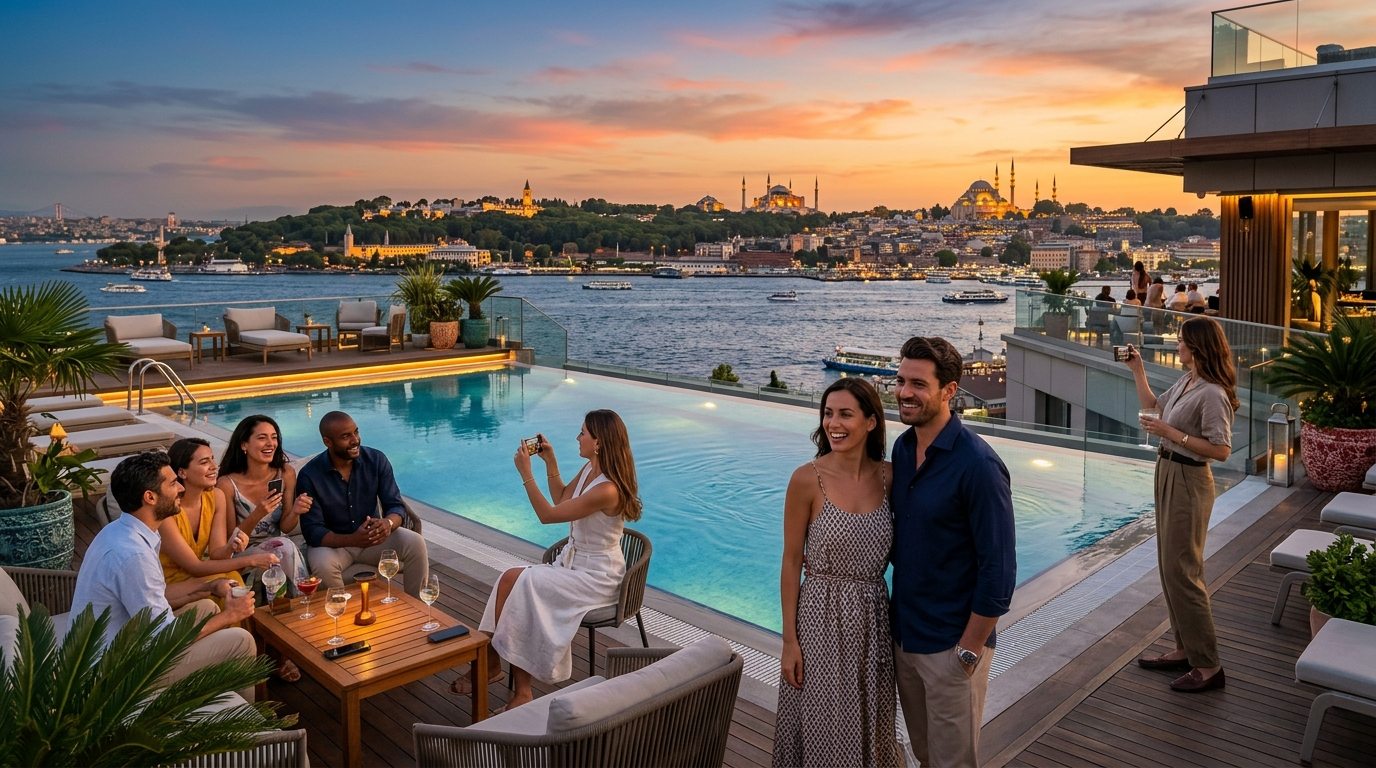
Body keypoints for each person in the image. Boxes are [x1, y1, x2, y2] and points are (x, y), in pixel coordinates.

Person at [890, 337, 1016, 768]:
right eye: (901, 380)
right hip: (905, 639)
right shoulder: (903, 449)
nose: (905, 392)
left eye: (918, 384)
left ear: (949, 390)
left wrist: (968, 651)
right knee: (926, 757)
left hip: (950, 647)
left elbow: (998, 573)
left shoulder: (978, 466)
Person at [472, 410, 642, 709]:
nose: (578, 438)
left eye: (582, 433)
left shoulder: (607, 488)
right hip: (573, 565)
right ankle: (506, 675)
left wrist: (526, 473)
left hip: (596, 578)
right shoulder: (591, 470)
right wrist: (549, 462)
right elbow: (563, 498)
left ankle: (498, 668)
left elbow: (547, 515)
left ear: (599, 442)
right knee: (512, 580)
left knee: (521, 581)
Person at [774, 378, 898, 767]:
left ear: (871, 422)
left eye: (845, 414)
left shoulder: (891, 478)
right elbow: (792, 561)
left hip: (874, 621)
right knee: (821, 722)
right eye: (828, 414)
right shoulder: (806, 478)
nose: (834, 423)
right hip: (818, 619)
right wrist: (789, 642)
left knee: (870, 723)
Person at [72, 451, 258, 703]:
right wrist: (231, 615)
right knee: (241, 641)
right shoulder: (133, 555)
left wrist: (211, 585)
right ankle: (251, 726)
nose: (181, 488)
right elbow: (162, 638)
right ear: (150, 497)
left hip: (128, 641)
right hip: (113, 674)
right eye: (172, 483)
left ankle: (209, 697)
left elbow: (156, 596)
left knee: (204, 607)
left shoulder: (124, 531)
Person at [1124, 317, 1238, 693]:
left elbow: (1221, 450)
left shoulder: (1212, 393)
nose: (1177, 345)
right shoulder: (1188, 381)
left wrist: (1172, 433)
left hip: (1190, 479)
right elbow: (1154, 406)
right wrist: (1138, 369)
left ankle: (1208, 665)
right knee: (1168, 566)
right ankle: (1184, 648)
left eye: (1182, 341)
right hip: (1168, 471)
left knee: (1184, 570)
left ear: (1198, 347)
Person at [168, 437, 298, 681]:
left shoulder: (214, 496)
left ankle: (251, 654)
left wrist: (231, 546)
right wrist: (249, 560)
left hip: (200, 573)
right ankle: (237, 665)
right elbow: (194, 567)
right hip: (172, 583)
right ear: (182, 472)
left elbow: (217, 552)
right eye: (204, 462)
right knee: (233, 579)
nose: (213, 467)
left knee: (234, 581)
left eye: (212, 460)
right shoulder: (169, 511)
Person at [296, 411, 429, 597]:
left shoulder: (375, 460)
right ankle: (339, 615)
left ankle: (419, 609)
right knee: (322, 565)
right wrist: (353, 540)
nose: (355, 440)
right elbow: (313, 531)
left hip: (373, 539)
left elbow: (395, 505)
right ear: (328, 442)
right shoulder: (309, 475)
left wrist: (388, 524)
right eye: (346, 436)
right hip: (334, 545)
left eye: (356, 432)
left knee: (415, 543)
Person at [217, 415, 310, 595]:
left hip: (276, 546)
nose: (270, 443)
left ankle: (294, 604)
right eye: (262, 438)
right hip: (242, 554)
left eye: (274, 437)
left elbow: (285, 526)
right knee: (285, 546)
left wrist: (296, 511)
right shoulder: (227, 484)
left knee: (283, 545)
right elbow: (231, 540)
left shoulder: (285, 473)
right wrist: (257, 514)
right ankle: (303, 598)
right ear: (244, 445)